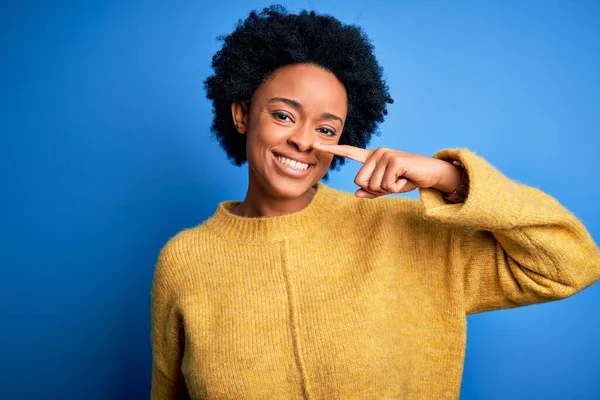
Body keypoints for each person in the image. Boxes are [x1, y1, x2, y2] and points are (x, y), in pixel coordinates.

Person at [150, 5, 600, 399]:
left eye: (326, 130)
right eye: (284, 115)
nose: (304, 141)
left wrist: (450, 177)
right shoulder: (185, 261)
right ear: (243, 114)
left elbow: (571, 262)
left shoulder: (404, 232)